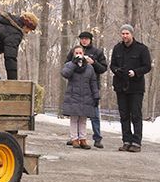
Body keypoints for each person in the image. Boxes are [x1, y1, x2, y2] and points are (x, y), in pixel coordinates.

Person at [110, 24, 152, 152]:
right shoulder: (117, 48)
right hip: (120, 86)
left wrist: (135, 72)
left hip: (136, 87)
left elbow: (147, 66)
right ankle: (126, 141)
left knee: (136, 115)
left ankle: (136, 142)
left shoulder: (141, 49)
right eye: (123, 33)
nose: (124, 36)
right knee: (124, 115)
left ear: (132, 34)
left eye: (127, 33)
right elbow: (112, 65)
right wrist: (117, 70)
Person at [64, 31, 107, 148]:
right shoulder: (73, 52)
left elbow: (103, 68)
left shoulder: (97, 52)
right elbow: (65, 69)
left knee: (92, 116)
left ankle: (96, 138)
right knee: (75, 116)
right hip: (75, 89)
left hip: (91, 88)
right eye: (82, 38)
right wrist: (73, 62)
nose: (84, 40)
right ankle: (74, 138)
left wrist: (94, 63)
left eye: (86, 39)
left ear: (90, 40)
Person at [61, 45, 99, 150]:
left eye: (80, 53)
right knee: (74, 119)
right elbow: (65, 74)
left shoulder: (89, 67)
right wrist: (73, 63)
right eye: (76, 53)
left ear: (84, 54)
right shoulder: (69, 65)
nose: (79, 55)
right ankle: (74, 139)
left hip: (86, 96)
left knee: (83, 119)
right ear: (73, 54)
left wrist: (96, 96)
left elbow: (93, 82)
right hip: (73, 95)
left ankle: (83, 139)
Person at [0, 11, 39, 80]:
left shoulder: (0, 19)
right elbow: (10, 57)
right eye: (29, 29)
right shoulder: (15, 33)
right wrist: (13, 82)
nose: (27, 32)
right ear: (26, 25)